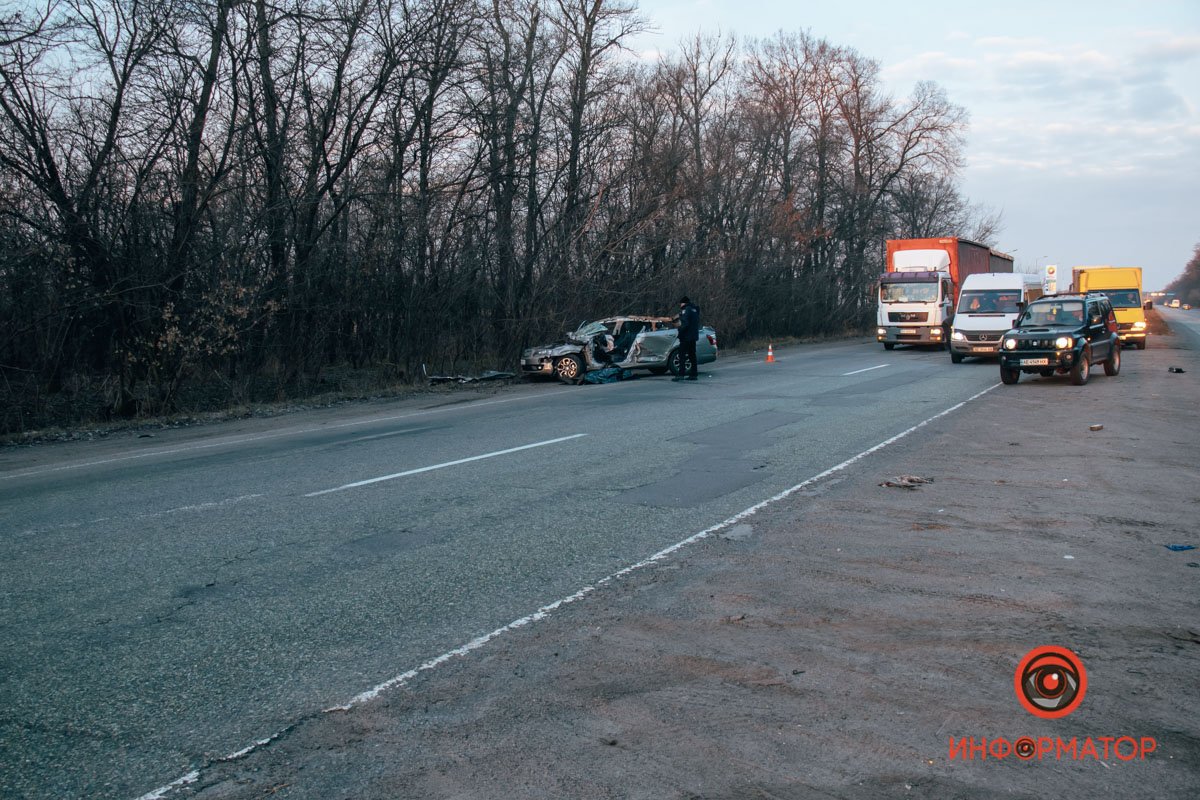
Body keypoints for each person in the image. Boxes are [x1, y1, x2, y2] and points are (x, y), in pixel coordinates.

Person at [674, 296, 700, 381]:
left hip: (686, 337)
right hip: (693, 337)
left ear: (683, 303)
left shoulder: (686, 310)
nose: (680, 305)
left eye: (681, 303)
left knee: (682, 355)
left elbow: (685, 324)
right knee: (692, 355)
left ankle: (681, 375)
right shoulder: (694, 309)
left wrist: (679, 330)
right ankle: (694, 374)